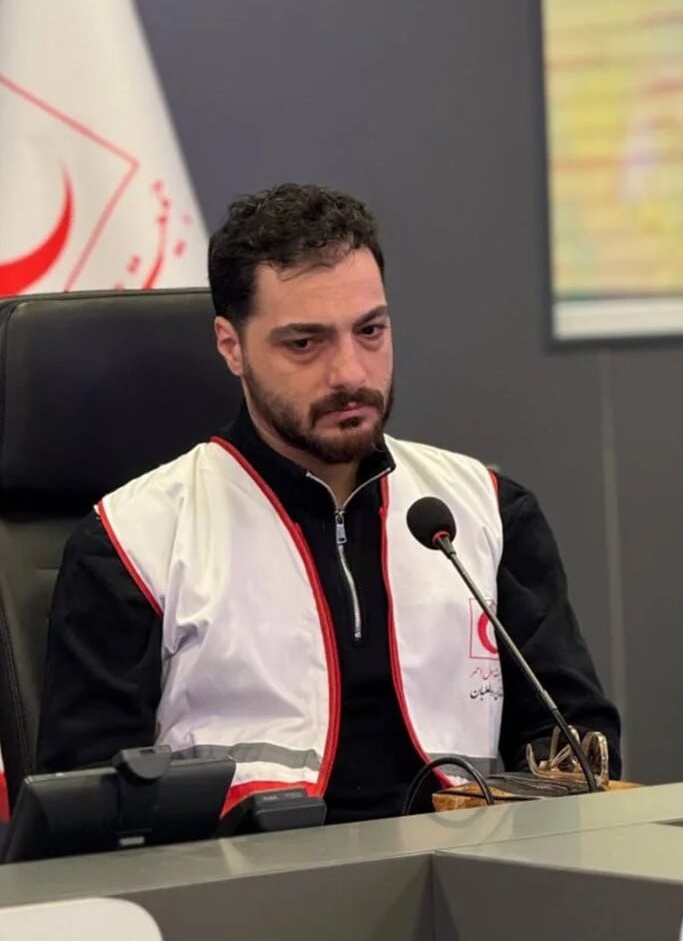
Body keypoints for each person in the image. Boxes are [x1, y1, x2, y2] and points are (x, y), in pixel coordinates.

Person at [36, 183, 621, 821]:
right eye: (304, 343)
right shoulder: (136, 541)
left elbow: (578, 747)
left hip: (462, 866)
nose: (350, 373)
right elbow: (90, 815)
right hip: (246, 879)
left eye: (370, 331)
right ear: (231, 346)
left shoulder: (483, 512)